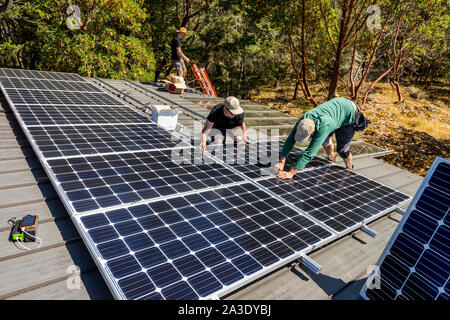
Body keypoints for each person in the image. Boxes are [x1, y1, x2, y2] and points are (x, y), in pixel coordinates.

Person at [276, 97, 370, 179]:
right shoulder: (304, 119)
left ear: (313, 131)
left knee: (342, 150)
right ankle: (331, 158)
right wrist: (282, 162)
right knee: (325, 140)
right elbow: (290, 140)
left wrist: (291, 172)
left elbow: (310, 152)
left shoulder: (323, 127)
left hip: (350, 114)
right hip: (336, 112)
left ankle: (349, 170)